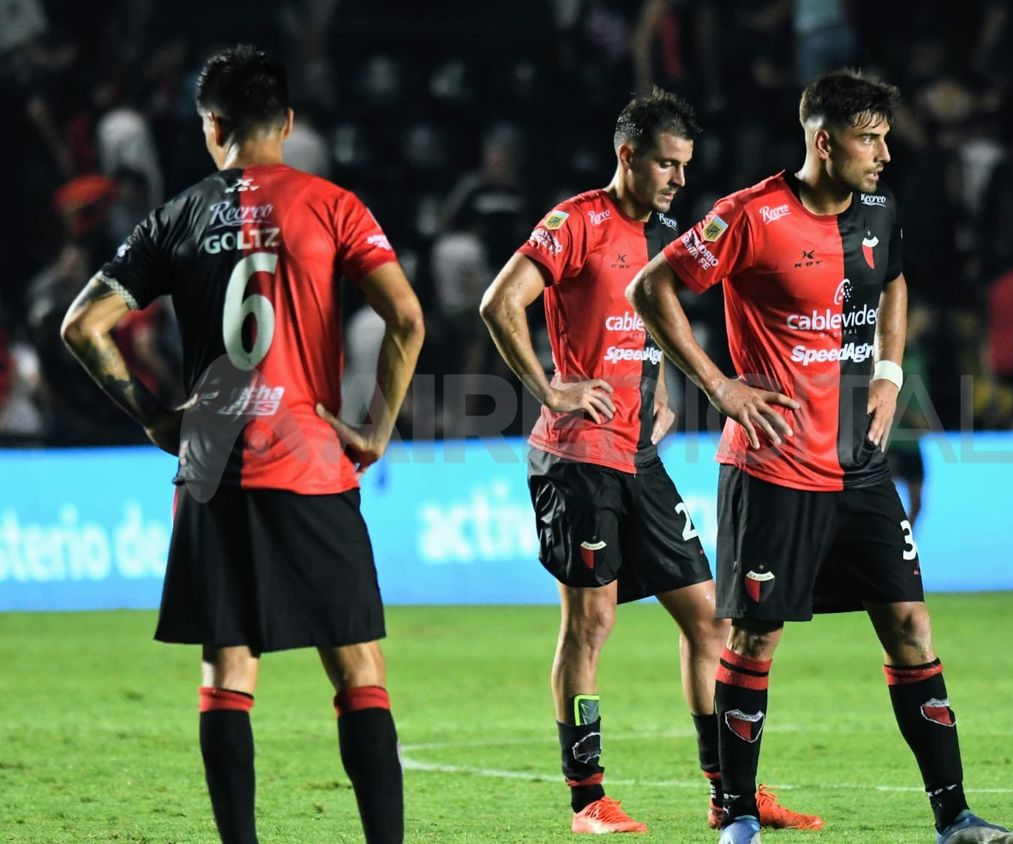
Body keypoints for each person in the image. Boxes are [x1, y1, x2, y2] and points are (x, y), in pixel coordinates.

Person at [627, 69, 1013, 844]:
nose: (883, 153)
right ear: (824, 140)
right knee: (754, 640)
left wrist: (887, 374)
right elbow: (653, 287)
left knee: (912, 625)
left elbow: (895, 282)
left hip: (862, 463)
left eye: (885, 136)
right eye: (868, 138)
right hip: (774, 466)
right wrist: (718, 385)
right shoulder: (749, 215)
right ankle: (738, 816)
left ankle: (955, 818)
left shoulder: (880, 209)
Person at [61, 45, 424, 844]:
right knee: (358, 670)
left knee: (227, 675)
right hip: (311, 464)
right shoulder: (333, 205)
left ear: (211, 125)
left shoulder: (176, 214)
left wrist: (156, 417)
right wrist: (378, 428)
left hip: (213, 470)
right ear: (287, 124)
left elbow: (80, 325)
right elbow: (405, 316)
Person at [479, 88, 820, 835]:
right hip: (577, 460)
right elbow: (500, 302)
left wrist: (660, 386)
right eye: (666, 164)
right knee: (590, 622)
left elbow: (649, 322)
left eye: (685, 166)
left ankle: (728, 792)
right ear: (626, 154)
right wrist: (549, 387)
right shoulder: (576, 222)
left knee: (709, 619)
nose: (678, 179)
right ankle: (587, 799)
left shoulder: (665, 235)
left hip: (638, 455)